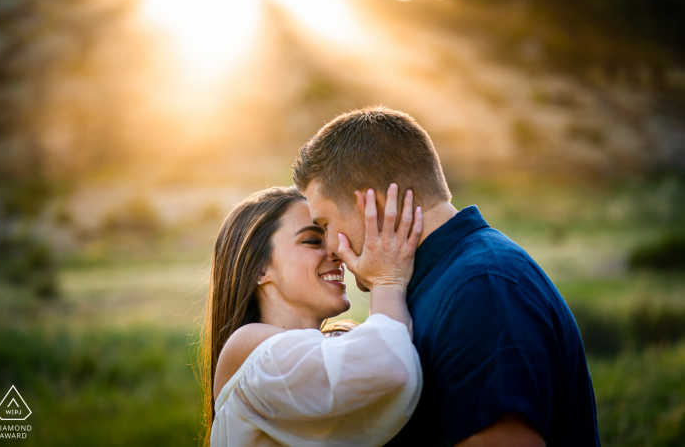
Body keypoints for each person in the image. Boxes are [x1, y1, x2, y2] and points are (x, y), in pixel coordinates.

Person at [292, 106, 601, 446]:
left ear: (374, 205)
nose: (331, 250)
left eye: (325, 224)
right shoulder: (444, 283)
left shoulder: (481, 288)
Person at [199, 185, 424, 447]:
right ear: (259, 267)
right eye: (313, 240)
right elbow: (389, 368)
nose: (336, 251)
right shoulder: (246, 346)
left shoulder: (340, 343)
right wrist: (386, 279)